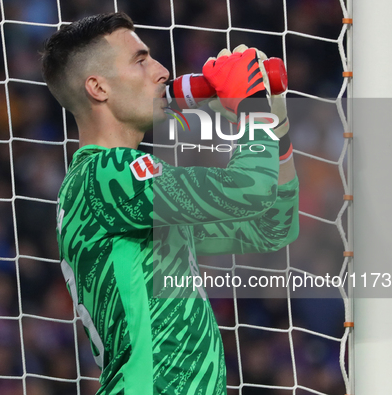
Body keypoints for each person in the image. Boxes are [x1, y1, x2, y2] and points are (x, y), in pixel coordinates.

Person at [41, 12, 298, 394]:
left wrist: (274, 129)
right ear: (98, 88)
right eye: (141, 60)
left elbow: (271, 227)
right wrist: (248, 107)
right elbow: (248, 187)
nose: (162, 72)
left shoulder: (128, 191)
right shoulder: (105, 175)